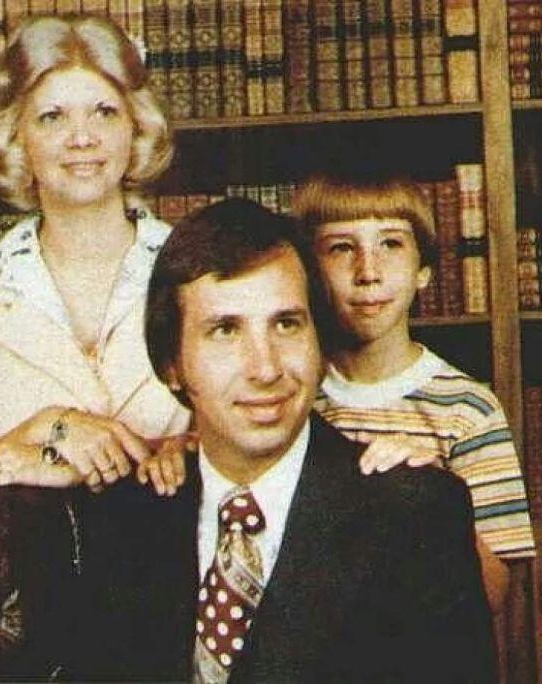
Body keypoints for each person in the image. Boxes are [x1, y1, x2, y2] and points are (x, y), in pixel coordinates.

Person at [71, 198, 497, 682]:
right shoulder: (123, 518)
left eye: (287, 324)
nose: (266, 368)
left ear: (320, 342)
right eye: (225, 330)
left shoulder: (413, 512)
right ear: (172, 365)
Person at [0, 14, 190, 492]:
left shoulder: (198, 268)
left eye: (104, 112)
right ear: (16, 138)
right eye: (52, 116)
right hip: (22, 543)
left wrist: (191, 450)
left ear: (136, 126)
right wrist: (45, 429)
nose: (82, 137)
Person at [291, 176, 536, 612]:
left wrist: (434, 496)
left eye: (390, 244)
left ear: (424, 270)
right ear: (309, 273)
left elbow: (496, 594)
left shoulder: (468, 409)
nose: (368, 272)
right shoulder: (291, 401)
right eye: (342, 248)